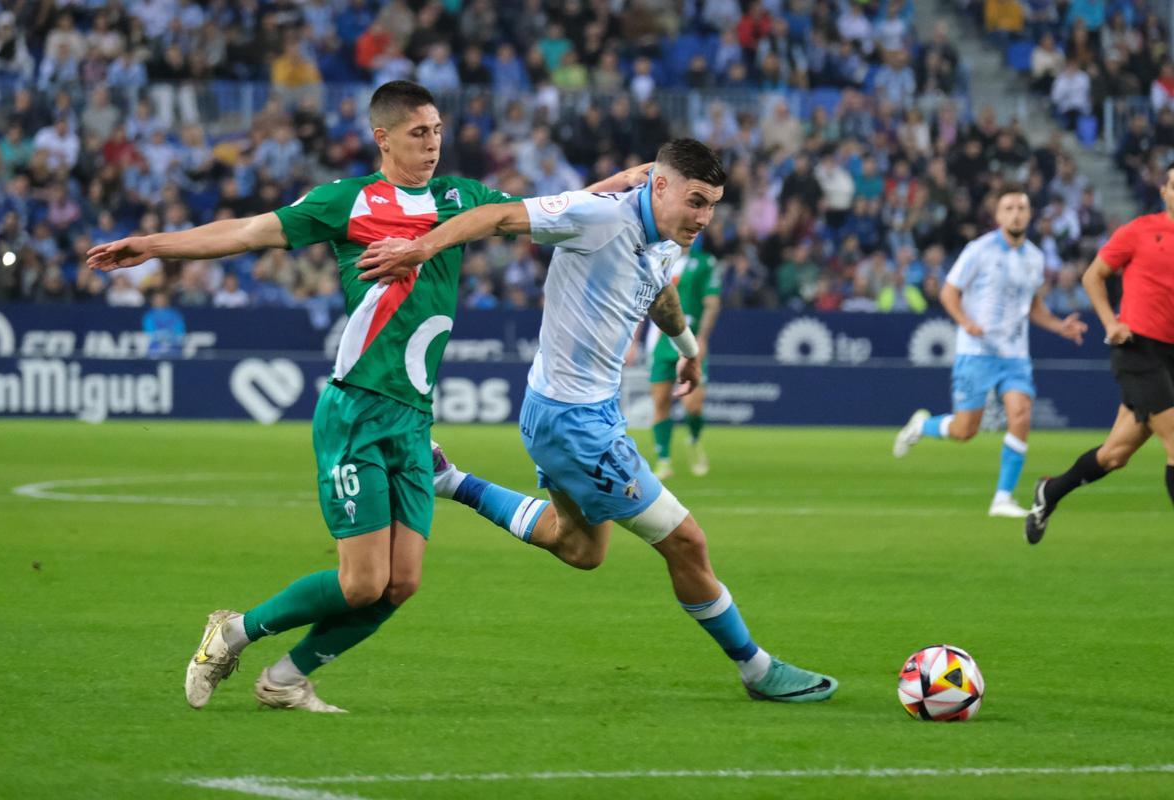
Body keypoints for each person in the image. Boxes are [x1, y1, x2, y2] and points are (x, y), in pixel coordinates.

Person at [87, 81, 646, 714]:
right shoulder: (347, 202)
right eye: (418, 133)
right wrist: (152, 246)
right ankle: (234, 631)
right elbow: (246, 233)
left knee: (401, 583)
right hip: (356, 409)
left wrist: (627, 179)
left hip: (412, 419)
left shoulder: (461, 199)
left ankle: (285, 679)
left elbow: (558, 207)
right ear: (383, 138)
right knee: (361, 583)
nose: (433, 143)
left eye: (437, 130)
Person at [359, 139, 837, 703]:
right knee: (686, 542)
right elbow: (496, 216)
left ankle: (448, 479)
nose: (704, 218)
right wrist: (418, 250)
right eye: (696, 201)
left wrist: (687, 346)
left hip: (576, 412)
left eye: (712, 206)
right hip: (573, 423)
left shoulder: (665, 237)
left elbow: (660, 292)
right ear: (660, 186)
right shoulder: (595, 217)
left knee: (581, 549)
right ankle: (756, 669)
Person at [893, 184, 1087, 517]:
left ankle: (1002, 498)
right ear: (998, 215)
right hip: (976, 351)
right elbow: (948, 292)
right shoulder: (978, 250)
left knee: (1021, 414)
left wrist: (1058, 326)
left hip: (1014, 354)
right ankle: (921, 426)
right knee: (965, 430)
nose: (1016, 213)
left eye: (1021, 208)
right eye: (1009, 208)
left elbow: (1033, 305)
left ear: (1029, 214)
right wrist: (965, 322)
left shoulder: (1035, 258)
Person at [1025, 163, 1174, 543]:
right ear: (1164, 192)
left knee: (1114, 455)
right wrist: (1111, 323)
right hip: (1137, 348)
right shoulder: (1140, 231)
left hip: (1171, 356)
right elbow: (1094, 275)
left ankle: (1050, 492)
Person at [630, 239, 721, 479]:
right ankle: (664, 459)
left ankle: (694, 439)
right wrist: (633, 340)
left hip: (690, 340)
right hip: (661, 342)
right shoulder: (655, 260)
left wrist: (701, 338)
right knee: (660, 403)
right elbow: (640, 303)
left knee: (694, 405)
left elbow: (712, 303)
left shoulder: (704, 263)